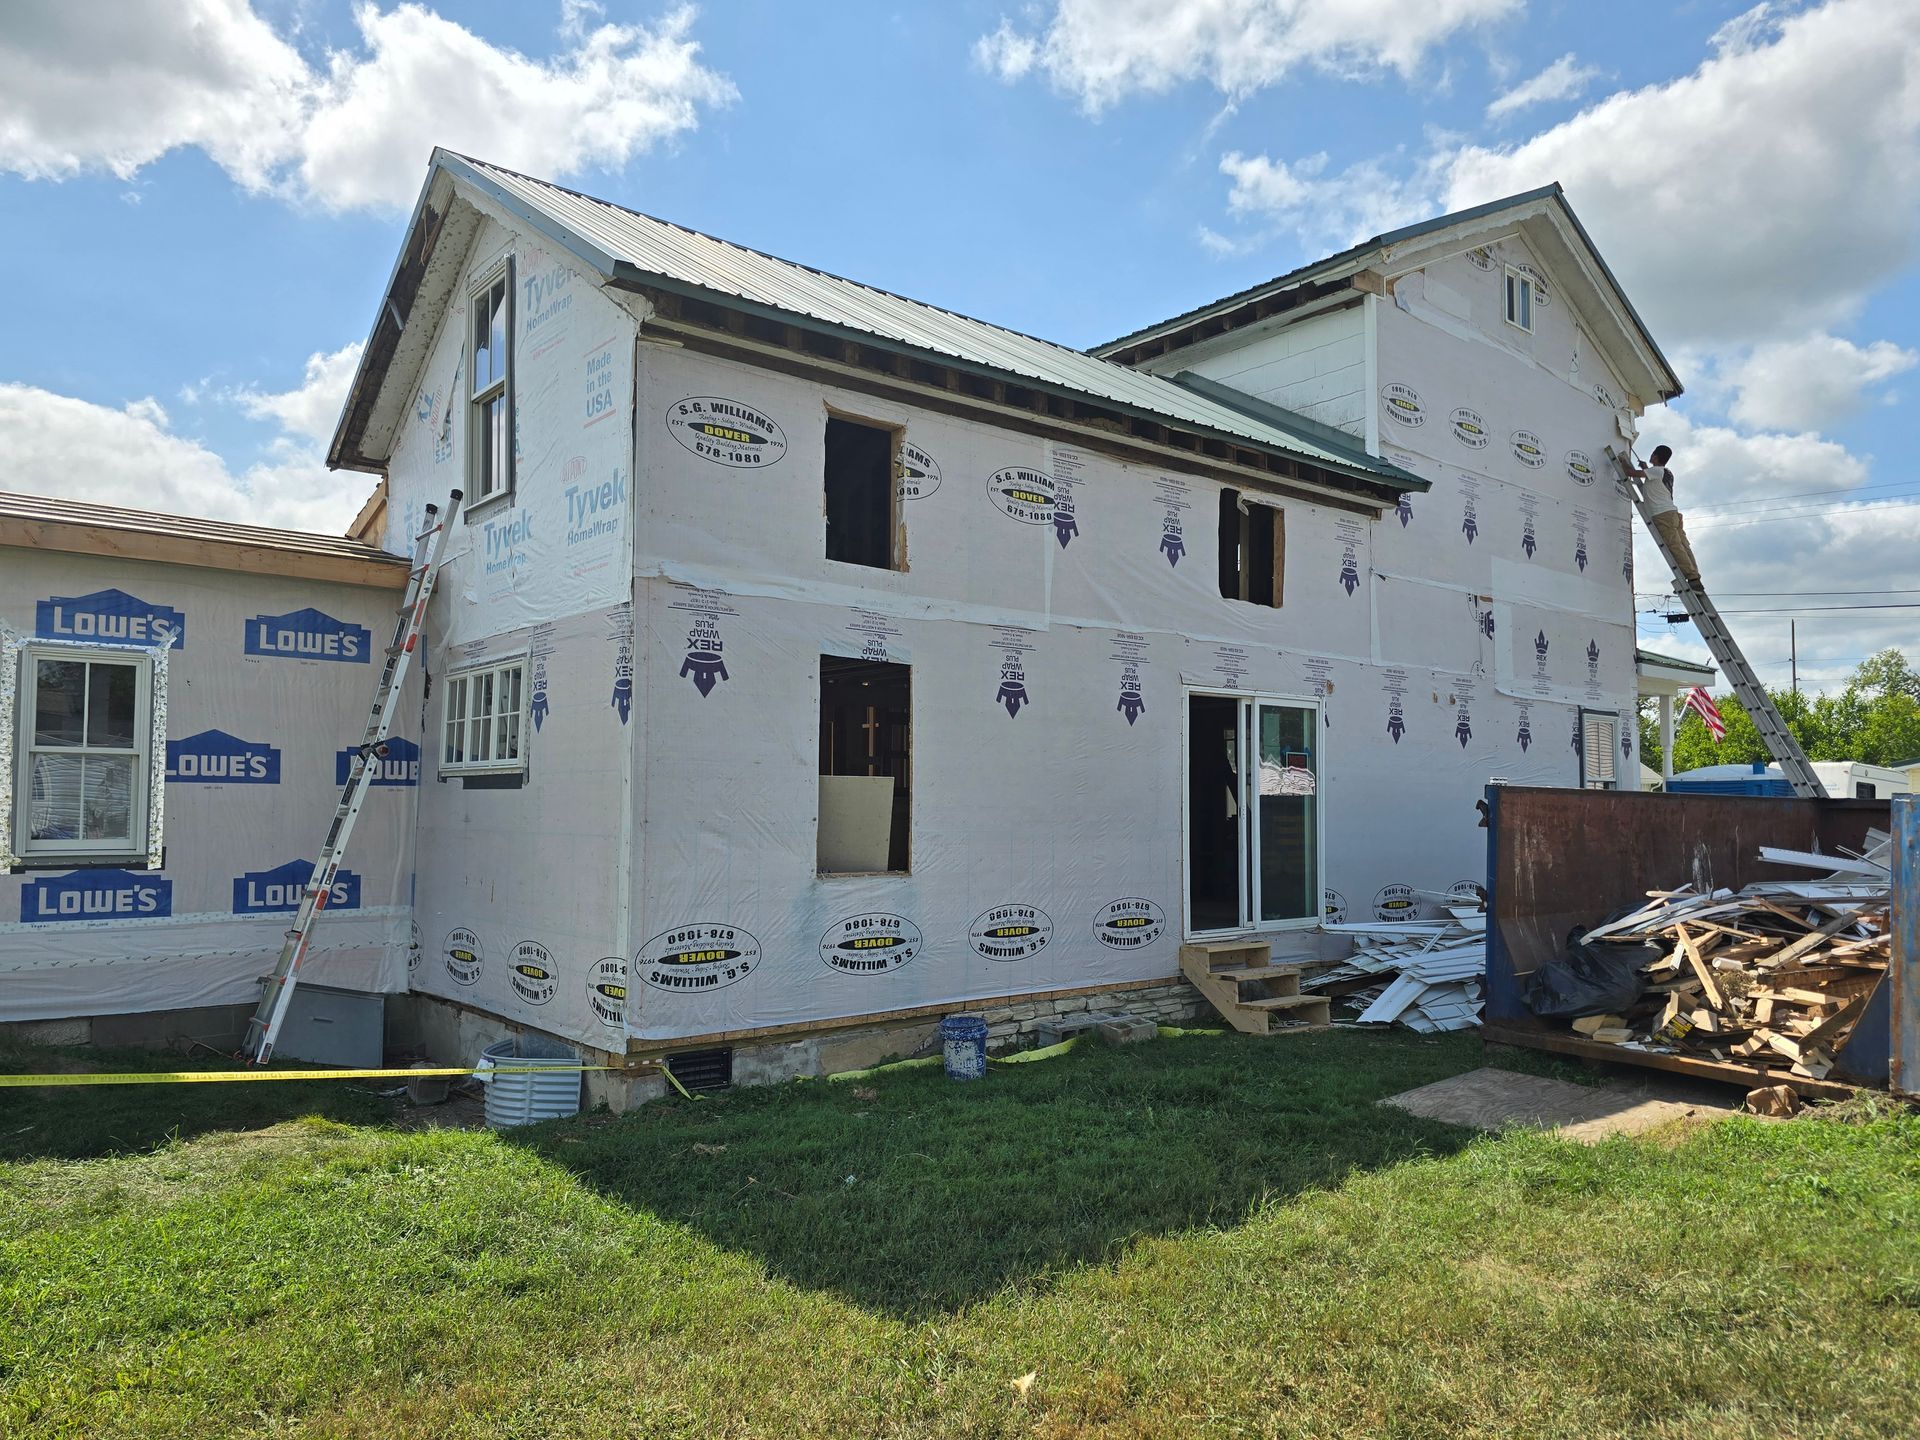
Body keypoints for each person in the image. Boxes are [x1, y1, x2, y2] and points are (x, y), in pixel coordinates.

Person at [1628, 444, 1700, 582]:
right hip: (1672, 513)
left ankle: (1692, 577)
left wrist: (1623, 462)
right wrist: (1646, 468)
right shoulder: (1666, 472)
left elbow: (1631, 473)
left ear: (1655, 456)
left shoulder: (1655, 471)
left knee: (1675, 546)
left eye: (1653, 453)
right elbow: (1654, 477)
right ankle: (1695, 574)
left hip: (1662, 516)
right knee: (1683, 546)